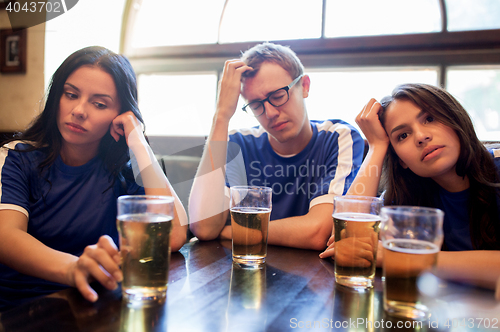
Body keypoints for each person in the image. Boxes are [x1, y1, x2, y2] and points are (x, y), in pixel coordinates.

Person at [0, 46, 188, 311]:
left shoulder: (124, 168)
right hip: (21, 308)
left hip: (97, 305)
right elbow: (6, 235)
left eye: (99, 104)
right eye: (70, 95)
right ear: (57, 97)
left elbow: (174, 235)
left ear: (120, 113)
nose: (79, 110)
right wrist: (74, 268)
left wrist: (137, 141)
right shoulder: (17, 156)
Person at [320, 83, 500, 289]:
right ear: (401, 160)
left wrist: (400, 258)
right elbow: (349, 243)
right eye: (402, 136)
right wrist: (377, 146)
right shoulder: (406, 197)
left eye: (430, 119)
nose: (422, 137)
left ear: (455, 118)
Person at [188, 43, 364, 250]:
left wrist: (229, 232)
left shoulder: (338, 137)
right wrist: (221, 116)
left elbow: (318, 232)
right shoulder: (237, 142)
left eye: (278, 96)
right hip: (244, 271)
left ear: (304, 86)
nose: (270, 113)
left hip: (312, 276)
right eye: (256, 105)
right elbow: (204, 227)